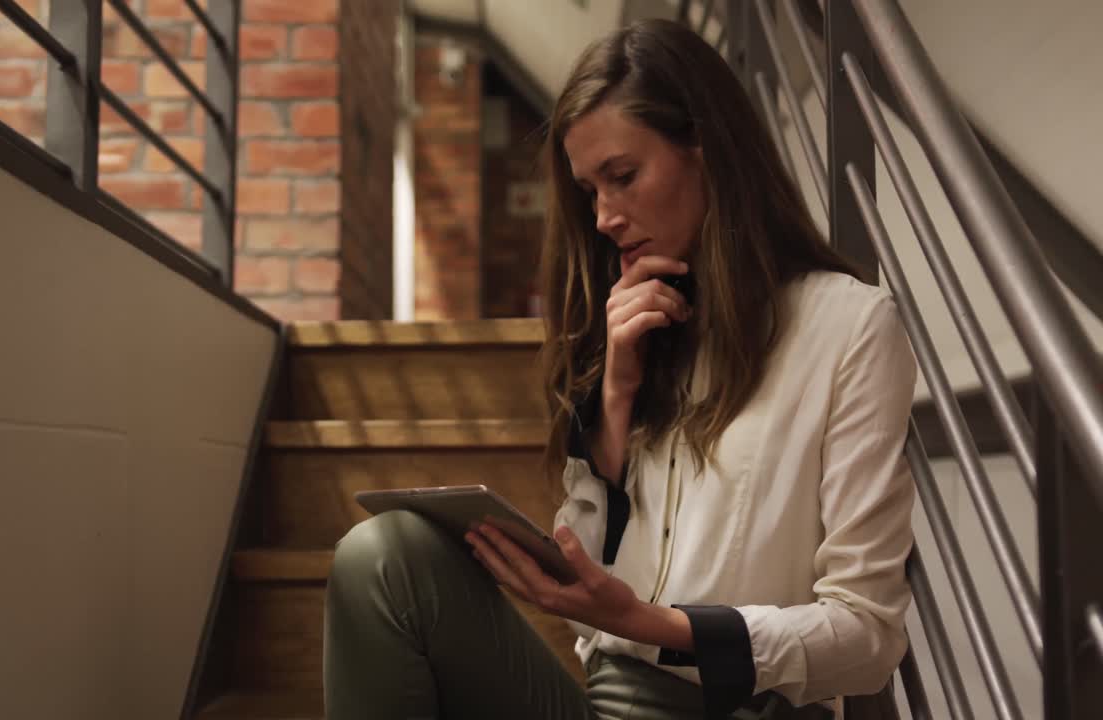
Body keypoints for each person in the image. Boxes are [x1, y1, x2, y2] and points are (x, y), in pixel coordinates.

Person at [322, 18, 916, 720]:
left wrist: (650, 623)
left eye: (623, 177)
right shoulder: (637, 333)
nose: (603, 216)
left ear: (709, 150)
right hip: (607, 702)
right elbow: (588, 622)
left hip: (740, 707)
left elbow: (868, 635)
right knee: (384, 556)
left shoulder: (849, 326)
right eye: (588, 190)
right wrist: (615, 396)